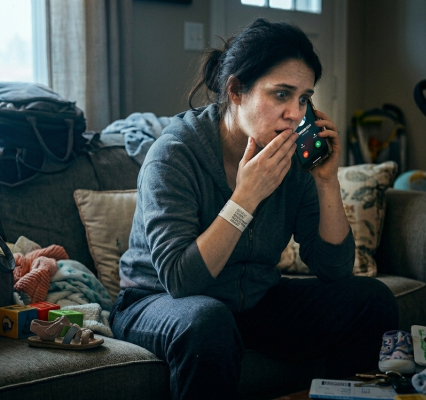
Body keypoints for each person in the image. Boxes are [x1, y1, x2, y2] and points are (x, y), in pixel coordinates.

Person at [110, 18, 398, 399]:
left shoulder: (291, 156)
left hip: (253, 301)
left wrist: (327, 181)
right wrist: (245, 198)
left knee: (371, 301)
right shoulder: (174, 154)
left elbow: (334, 269)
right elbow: (181, 281)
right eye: (281, 94)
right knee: (208, 321)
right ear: (235, 91)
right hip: (158, 302)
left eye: (303, 99)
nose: (295, 113)